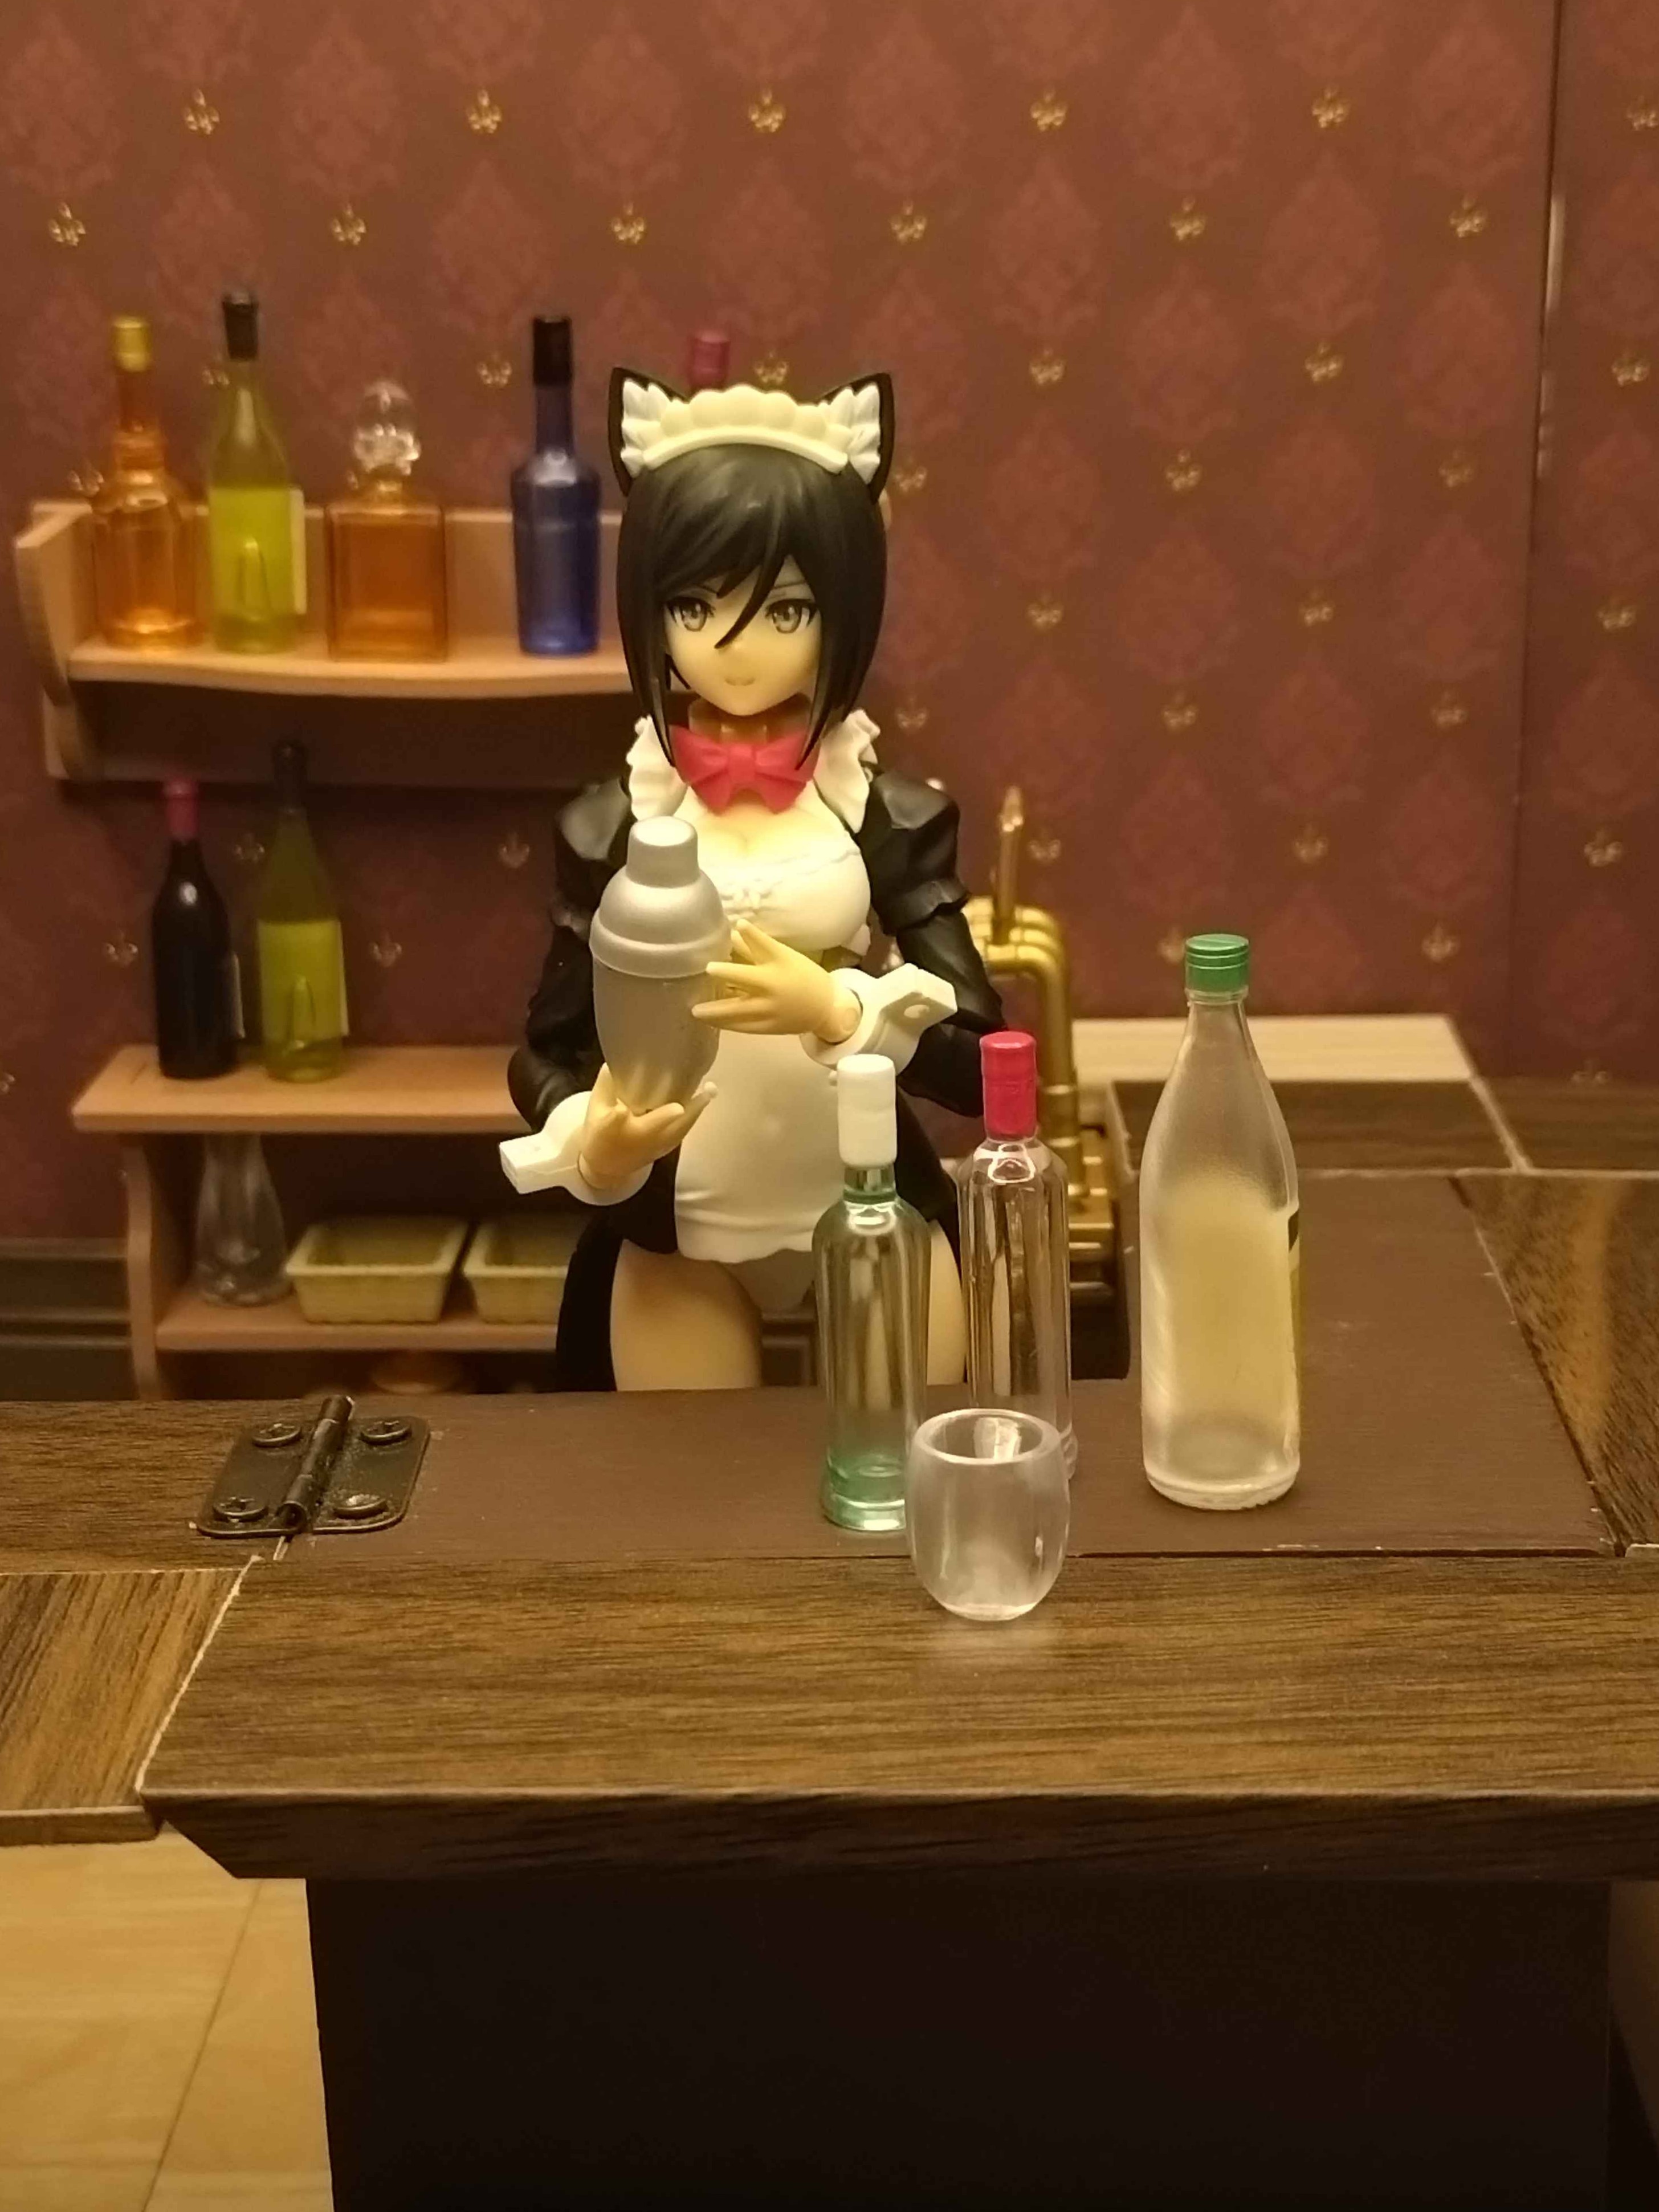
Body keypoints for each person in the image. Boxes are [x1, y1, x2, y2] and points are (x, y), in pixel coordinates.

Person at [507, 366, 1003, 1390]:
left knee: (900, 1462)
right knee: (696, 1480)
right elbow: (546, 1051)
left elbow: (978, 1060)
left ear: (843, 613)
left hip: (873, 1203)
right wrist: (596, 1138)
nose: (732, 649)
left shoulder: (887, 815)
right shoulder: (611, 825)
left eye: (784, 609)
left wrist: (838, 1007)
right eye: (694, 605)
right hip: (682, 1225)